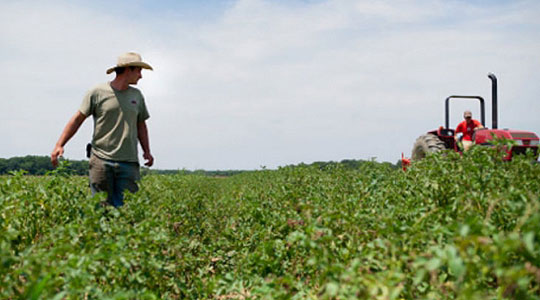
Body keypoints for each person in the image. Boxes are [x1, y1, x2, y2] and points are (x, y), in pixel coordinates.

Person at [51, 52, 154, 207]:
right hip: (101, 160)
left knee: (128, 209)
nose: (141, 76)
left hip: (129, 161)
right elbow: (78, 119)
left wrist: (147, 151)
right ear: (128, 69)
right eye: (139, 71)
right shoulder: (97, 92)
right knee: (101, 208)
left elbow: (141, 125)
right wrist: (60, 144)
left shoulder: (137, 96)